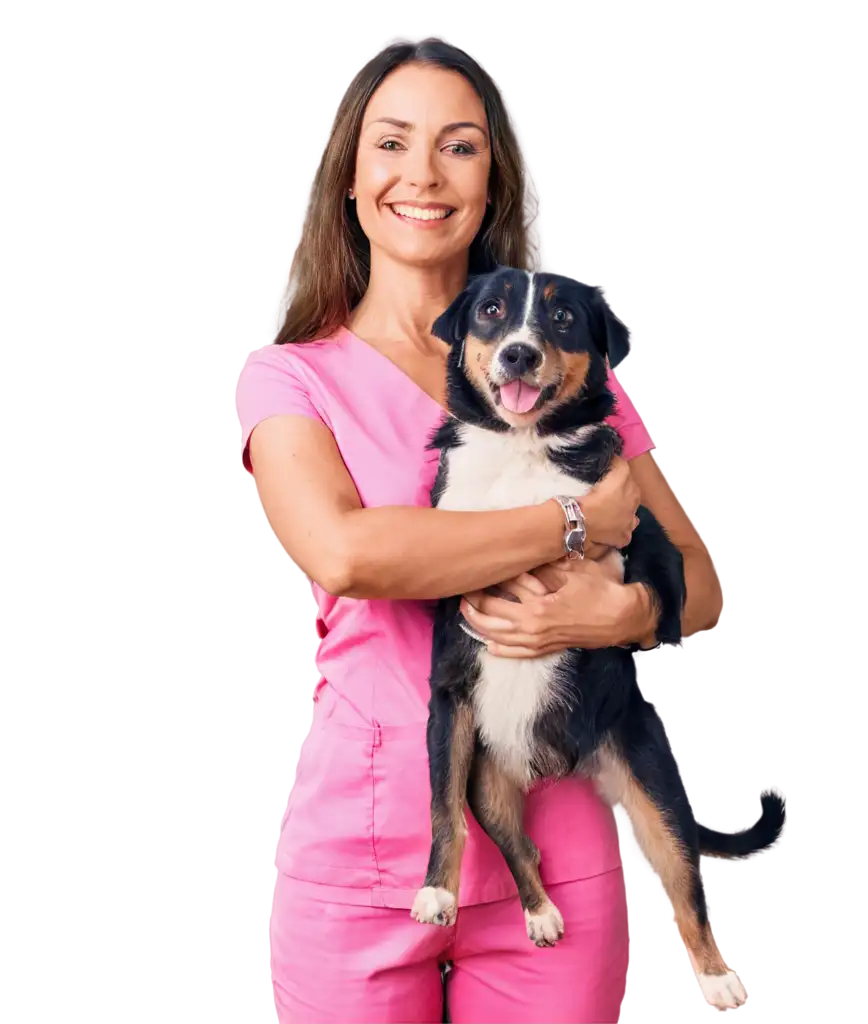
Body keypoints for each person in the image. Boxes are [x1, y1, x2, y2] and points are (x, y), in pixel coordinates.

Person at [233, 33, 721, 1024]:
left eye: (457, 146)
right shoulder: (288, 377)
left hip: (560, 842)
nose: (422, 174)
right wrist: (575, 517)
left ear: (491, 180)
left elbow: (699, 585)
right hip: (371, 845)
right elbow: (349, 551)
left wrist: (613, 614)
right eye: (391, 143)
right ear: (349, 175)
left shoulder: (579, 367)